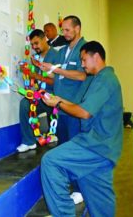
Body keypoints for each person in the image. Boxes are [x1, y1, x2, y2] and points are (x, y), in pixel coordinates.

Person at [41, 41, 124, 217]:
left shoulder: (105, 80)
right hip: (104, 149)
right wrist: (57, 100)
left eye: (84, 59)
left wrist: (59, 103)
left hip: (95, 145)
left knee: (51, 161)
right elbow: (82, 106)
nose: (82, 64)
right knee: (100, 200)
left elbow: (84, 113)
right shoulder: (100, 79)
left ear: (96, 57)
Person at [41, 15, 89, 204]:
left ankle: (80, 189)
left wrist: (57, 70)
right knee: (63, 147)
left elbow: (82, 75)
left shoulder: (83, 50)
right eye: (63, 30)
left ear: (77, 29)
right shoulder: (62, 52)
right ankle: (70, 184)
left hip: (73, 109)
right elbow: (57, 75)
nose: (64, 33)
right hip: (60, 109)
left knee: (76, 150)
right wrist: (46, 70)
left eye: (67, 30)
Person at [16, 29, 58, 153]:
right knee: (25, 103)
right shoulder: (35, 58)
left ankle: (56, 134)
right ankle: (28, 142)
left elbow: (58, 81)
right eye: (32, 45)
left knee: (58, 128)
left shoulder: (56, 56)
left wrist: (37, 76)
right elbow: (35, 81)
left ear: (45, 38)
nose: (34, 47)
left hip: (55, 97)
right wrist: (27, 72)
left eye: (36, 43)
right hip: (40, 96)